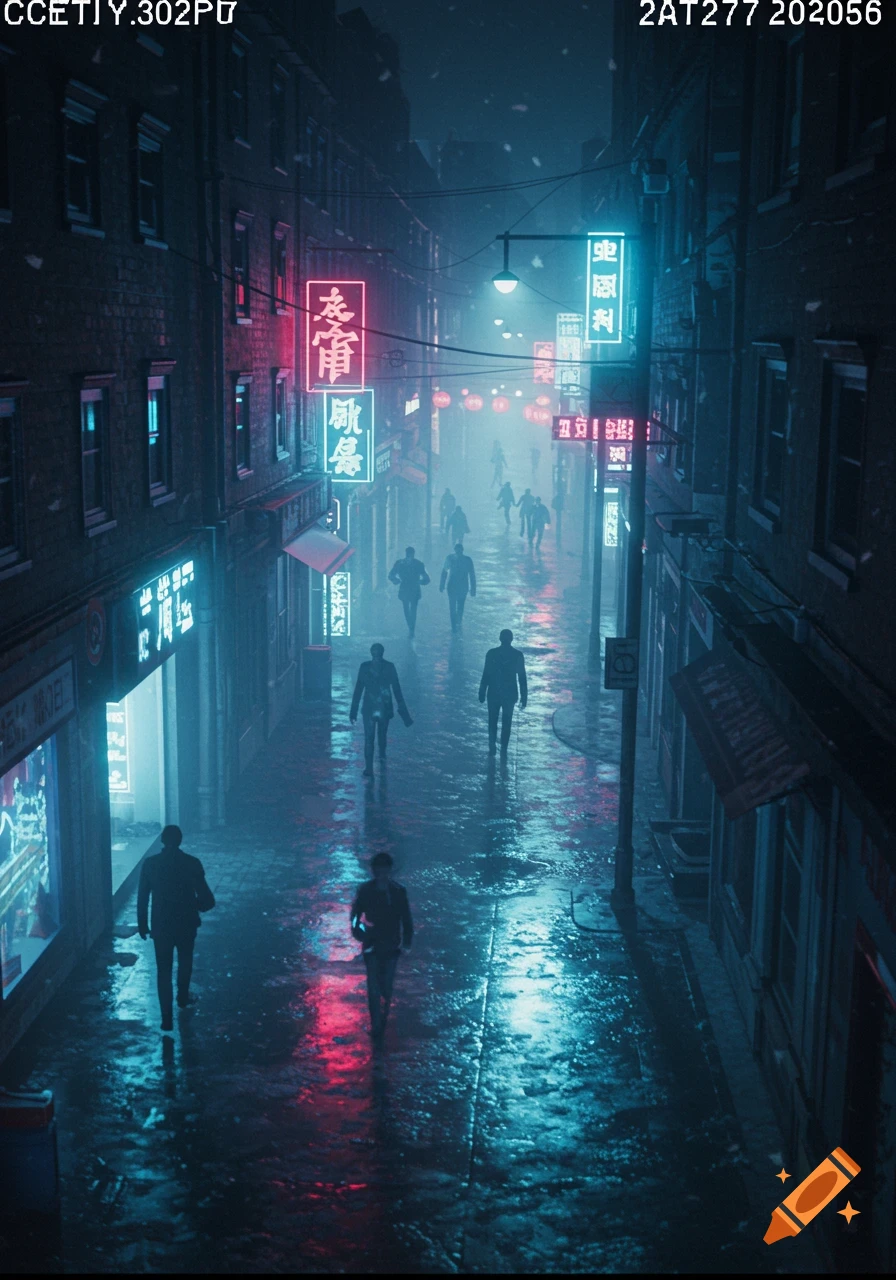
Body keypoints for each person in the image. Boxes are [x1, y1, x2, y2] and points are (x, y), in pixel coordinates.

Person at [137, 825, 216, 1032]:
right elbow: (208, 899)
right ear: (180, 840)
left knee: (163, 970)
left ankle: (166, 1018)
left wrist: (143, 924)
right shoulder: (192, 864)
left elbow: (143, 898)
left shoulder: (150, 865)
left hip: (161, 926)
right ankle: (182, 998)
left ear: (162, 840)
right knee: (185, 961)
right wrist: (195, 906)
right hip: (186, 923)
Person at [351, 851, 413, 1040]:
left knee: (385, 984)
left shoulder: (398, 891)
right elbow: (355, 915)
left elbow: (406, 918)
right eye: (379, 870)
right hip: (372, 943)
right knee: (373, 986)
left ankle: (382, 1013)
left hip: (391, 944)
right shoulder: (365, 890)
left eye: (384, 870)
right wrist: (360, 934)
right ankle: (376, 1024)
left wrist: (406, 942)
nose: (381, 873)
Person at [350, 643, 413, 777]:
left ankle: (369, 768)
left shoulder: (364, 667)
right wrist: (404, 711)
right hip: (384, 707)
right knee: (382, 735)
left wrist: (353, 711)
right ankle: (382, 758)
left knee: (369, 738)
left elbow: (358, 689)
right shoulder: (390, 667)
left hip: (369, 707)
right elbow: (397, 690)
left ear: (371, 652)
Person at [479, 629, 528, 755]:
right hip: (510, 694)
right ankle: (504, 748)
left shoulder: (491, 654)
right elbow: (522, 678)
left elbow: (486, 674)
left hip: (494, 692)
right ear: (511, 639)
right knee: (507, 722)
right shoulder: (517, 655)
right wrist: (524, 696)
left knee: (492, 720)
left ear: (500, 639)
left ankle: (492, 745)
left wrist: (482, 691)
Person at [388, 546, 430, 637]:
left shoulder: (402, 563)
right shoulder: (416, 564)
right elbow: (391, 575)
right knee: (408, 609)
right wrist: (396, 580)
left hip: (410, 588)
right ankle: (411, 628)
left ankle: (411, 628)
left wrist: (396, 580)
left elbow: (426, 579)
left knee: (410, 609)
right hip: (410, 588)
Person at [440, 542, 477, 633]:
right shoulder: (464, 559)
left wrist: (442, 584)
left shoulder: (452, 558)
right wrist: (473, 589)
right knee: (456, 607)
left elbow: (472, 575)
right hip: (457, 586)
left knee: (457, 606)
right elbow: (472, 575)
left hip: (457, 586)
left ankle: (456, 624)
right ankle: (455, 625)